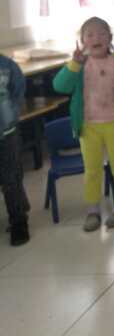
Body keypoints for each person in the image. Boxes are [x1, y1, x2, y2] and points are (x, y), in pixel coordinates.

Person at [53, 17, 114, 231]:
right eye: (90, 34)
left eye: (102, 33)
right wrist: (74, 64)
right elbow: (60, 86)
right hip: (88, 126)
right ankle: (93, 211)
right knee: (92, 170)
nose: (96, 38)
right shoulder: (79, 65)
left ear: (110, 38)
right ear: (82, 40)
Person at [0, 53, 31, 246]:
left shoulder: (7, 66)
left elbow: (18, 91)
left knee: (11, 178)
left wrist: (11, 113)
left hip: (7, 132)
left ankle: (19, 222)